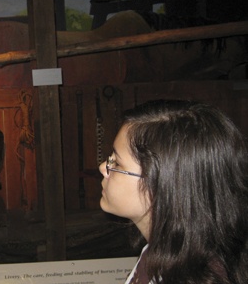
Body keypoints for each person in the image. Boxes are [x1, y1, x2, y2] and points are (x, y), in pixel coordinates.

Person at [99, 99, 248, 284]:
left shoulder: (195, 277)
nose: (103, 168)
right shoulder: (165, 254)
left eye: (117, 163)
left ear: (162, 183)